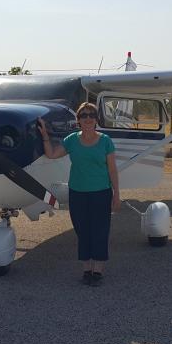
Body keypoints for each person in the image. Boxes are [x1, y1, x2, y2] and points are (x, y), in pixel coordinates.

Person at [37, 102, 121, 286]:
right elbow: (51, 154)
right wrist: (44, 136)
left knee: (100, 231)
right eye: (84, 115)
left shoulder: (106, 140)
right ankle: (86, 269)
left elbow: (112, 170)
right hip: (78, 193)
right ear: (79, 120)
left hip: (101, 193)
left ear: (96, 119)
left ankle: (97, 271)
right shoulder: (71, 140)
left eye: (92, 115)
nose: (88, 118)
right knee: (82, 231)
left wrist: (116, 194)